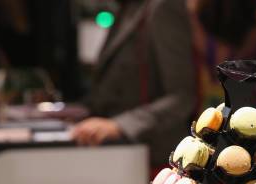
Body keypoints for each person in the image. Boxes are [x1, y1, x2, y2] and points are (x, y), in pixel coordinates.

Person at [72, 0, 195, 169]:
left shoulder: (163, 7)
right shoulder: (128, 8)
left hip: (152, 159)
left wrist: (120, 126)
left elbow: (182, 95)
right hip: (120, 157)